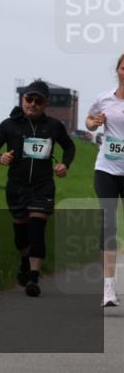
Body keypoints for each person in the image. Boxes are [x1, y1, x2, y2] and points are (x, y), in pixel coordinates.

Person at [0, 80, 75, 297]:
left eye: (38, 101)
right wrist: (0, 157)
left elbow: (69, 146)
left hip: (43, 186)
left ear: (45, 104)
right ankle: (25, 261)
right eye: (29, 99)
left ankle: (34, 279)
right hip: (16, 186)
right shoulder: (9, 125)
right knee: (21, 236)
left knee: (37, 230)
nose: (32, 104)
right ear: (22, 100)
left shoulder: (54, 126)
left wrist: (64, 164)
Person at [84, 53, 124, 308]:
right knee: (108, 222)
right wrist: (95, 122)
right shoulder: (104, 99)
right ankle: (108, 287)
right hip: (107, 168)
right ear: (118, 70)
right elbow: (88, 122)